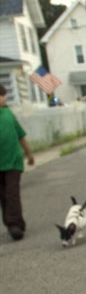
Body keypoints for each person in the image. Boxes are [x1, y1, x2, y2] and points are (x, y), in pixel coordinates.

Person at [0, 84, 35, 241]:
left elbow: (20, 135)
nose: (3, 98)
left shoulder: (8, 114)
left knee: (12, 193)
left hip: (13, 161)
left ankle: (14, 224)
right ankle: (15, 223)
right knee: (4, 196)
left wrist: (29, 154)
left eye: (3, 95)